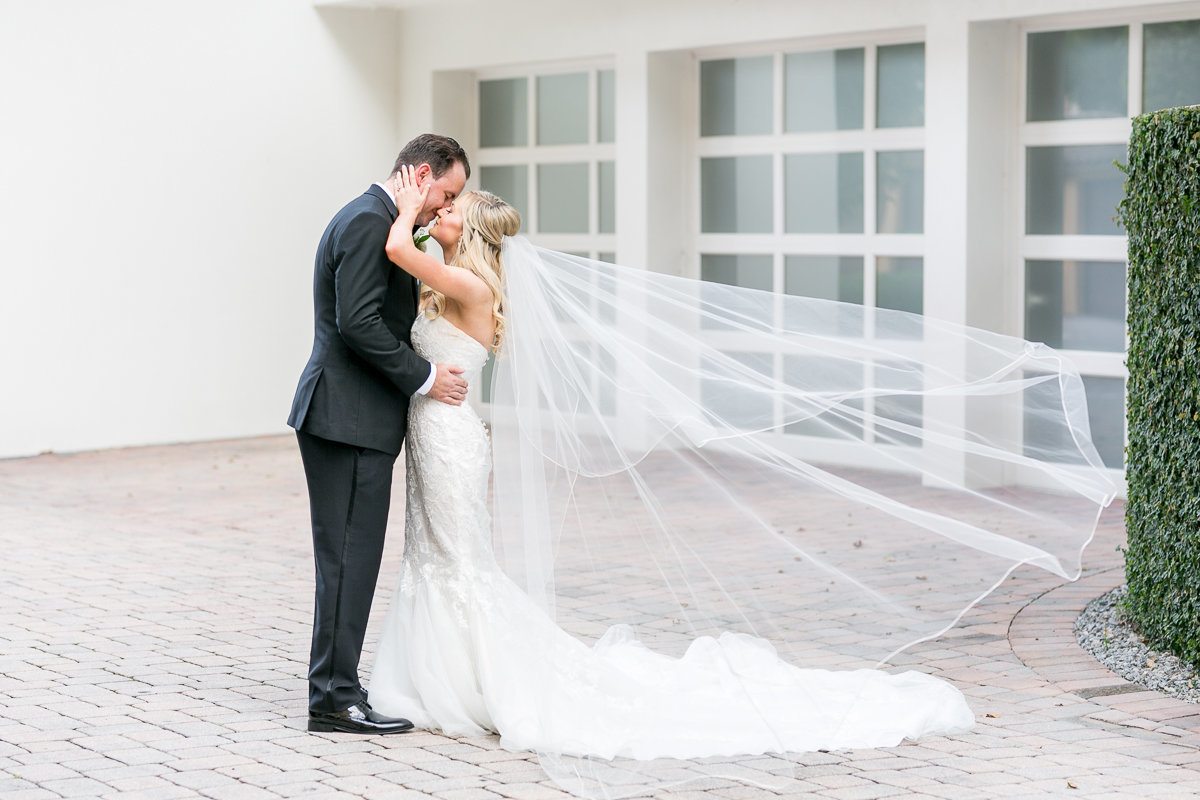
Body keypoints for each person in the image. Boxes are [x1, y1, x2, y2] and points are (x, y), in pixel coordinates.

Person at [363, 167, 1107, 789]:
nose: (441, 211)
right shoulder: (459, 284)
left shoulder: (471, 289)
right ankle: (445, 676)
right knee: (436, 555)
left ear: (478, 231)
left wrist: (403, 204)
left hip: (451, 435)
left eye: (454, 207)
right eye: (443, 203)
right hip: (438, 430)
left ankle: (466, 681)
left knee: (458, 560)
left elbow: (399, 246)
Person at [288, 135, 470, 735]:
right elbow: (359, 323)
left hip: (351, 416)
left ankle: (339, 684)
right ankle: (334, 698)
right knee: (348, 558)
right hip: (348, 418)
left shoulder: (374, 218)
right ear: (421, 174)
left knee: (349, 558)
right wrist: (424, 378)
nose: (447, 205)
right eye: (447, 191)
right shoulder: (370, 223)